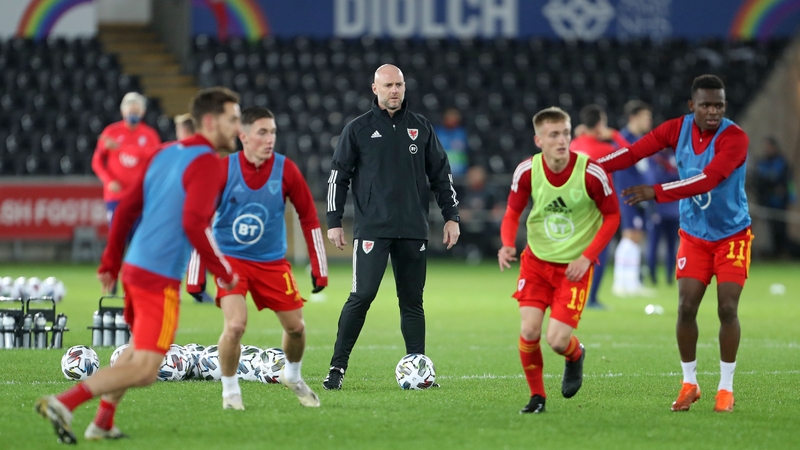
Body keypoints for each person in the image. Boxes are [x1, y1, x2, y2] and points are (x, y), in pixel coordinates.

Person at [34, 87, 241, 443]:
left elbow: (127, 206)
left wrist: (111, 260)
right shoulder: (207, 162)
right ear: (210, 121)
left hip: (135, 268)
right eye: (233, 119)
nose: (239, 127)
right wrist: (224, 273)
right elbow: (195, 223)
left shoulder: (164, 152)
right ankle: (64, 403)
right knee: (146, 368)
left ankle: (102, 422)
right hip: (157, 278)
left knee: (134, 351)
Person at [599, 74, 752, 413]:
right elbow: (632, 152)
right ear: (691, 106)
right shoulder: (675, 129)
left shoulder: (736, 138)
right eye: (706, 105)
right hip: (695, 236)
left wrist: (659, 192)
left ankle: (725, 389)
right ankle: (689, 383)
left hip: (732, 236)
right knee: (686, 308)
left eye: (719, 105)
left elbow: (709, 178)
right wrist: (593, 167)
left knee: (727, 307)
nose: (713, 111)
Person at [324, 64, 461, 390]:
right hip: (372, 228)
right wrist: (334, 221)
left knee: (412, 301)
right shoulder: (357, 129)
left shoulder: (421, 127)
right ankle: (337, 368)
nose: (394, 90)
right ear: (375, 88)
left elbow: (442, 175)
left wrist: (451, 216)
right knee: (362, 295)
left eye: (399, 84)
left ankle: (420, 370)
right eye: (388, 85)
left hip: (414, 228)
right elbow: (337, 176)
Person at [499, 106, 620, 414]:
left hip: (574, 269)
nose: (561, 140)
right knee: (529, 332)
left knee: (555, 340)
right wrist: (506, 245)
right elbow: (513, 212)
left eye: (565, 133)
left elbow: (612, 216)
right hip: (536, 263)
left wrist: (587, 256)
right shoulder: (527, 171)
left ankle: (574, 354)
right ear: (539, 140)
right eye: (553, 135)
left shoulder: (591, 172)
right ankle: (537, 397)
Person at [205, 106, 327, 409]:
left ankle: (292, 375)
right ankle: (231, 393)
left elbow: (309, 217)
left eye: (272, 132)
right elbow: (199, 221)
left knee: (296, 329)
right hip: (230, 259)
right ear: (242, 136)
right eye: (262, 132)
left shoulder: (286, 170)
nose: (270, 138)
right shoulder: (222, 169)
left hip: (272, 262)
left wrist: (318, 266)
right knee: (235, 326)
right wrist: (197, 274)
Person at [569, 104, 629, 308]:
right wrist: (615, 134)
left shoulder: (574, 144)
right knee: (599, 253)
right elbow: (630, 155)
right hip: (598, 207)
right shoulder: (605, 149)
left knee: (574, 251)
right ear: (600, 125)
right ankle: (591, 298)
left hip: (574, 206)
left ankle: (569, 294)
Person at [92, 92, 162, 228]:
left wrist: (120, 148)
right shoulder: (111, 132)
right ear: (123, 111)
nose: (133, 115)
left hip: (141, 196)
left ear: (143, 112)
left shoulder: (150, 135)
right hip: (116, 196)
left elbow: (155, 157)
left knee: (140, 241)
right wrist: (108, 181)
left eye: (136, 112)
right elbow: (97, 161)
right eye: (130, 111)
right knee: (117, 240)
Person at [613, 100, 654, 296]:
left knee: (637, 236)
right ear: (633, 118)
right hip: (628, 193)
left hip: (640, 194)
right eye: (645, 117)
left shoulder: (641, 139)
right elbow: (619, 170)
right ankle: (622, 282)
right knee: (631, 234)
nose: (649, 121)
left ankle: (631, 282)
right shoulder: (623, 139)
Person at [753, 137, 797, 258]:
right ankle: (776, 252)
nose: (767, 149)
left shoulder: (782, 163)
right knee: (771, 230)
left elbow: (788, 182)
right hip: (767, 202)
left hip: (780, 203)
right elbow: (759, 182)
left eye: (769, 147)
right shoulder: (762, 163)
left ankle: (783, 252)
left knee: (781, 229)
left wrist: (790, 197)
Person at [644, 149, 680, 285]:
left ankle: (670, 277)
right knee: (653, 244)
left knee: (672, 246)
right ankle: (652, 276)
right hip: (657, 210)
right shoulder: (654, 158)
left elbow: (682, 178)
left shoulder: (674, 156)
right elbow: (654, 180)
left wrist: (668, 176)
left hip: (673, 210)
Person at [459, 165, 504, 263]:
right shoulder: (465, 191)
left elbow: (497, 208)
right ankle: (467, 251)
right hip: (469, 222)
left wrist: (491, 214)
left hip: (486, 222)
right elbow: (460, 207)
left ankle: (485, 253)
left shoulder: (490, 191)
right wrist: (463, 213)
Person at [434, 107, 469, 178]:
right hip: (441, 173)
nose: (453, 120)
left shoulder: (463, 133)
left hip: (461, 173)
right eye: (450, 117)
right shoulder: (437, 133)